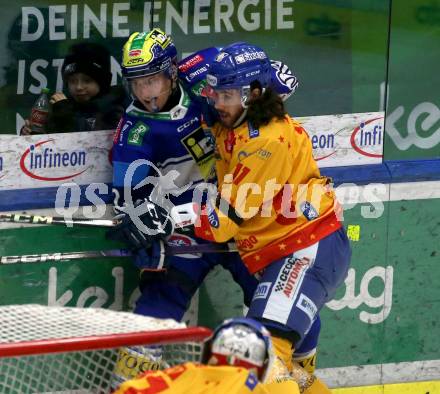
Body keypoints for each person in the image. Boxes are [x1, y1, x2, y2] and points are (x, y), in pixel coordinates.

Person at [120, 42, 352, 393]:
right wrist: (139, 216)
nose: (216, 102)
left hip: (302, 246)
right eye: (215, 92)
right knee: (283, 364)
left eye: (226, 95)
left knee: (267, 355)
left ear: (253, 94)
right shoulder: (235, 117)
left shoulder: (263, 144)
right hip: (276, 245)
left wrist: (167, 219)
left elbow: (222, 221)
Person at [106, 28, 298, 388]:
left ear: (173, 71)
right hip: (188, 229)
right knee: (157, 310)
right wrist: (140, 221)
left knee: (278, 302)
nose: (146, 93)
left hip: (240, 216)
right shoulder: (132, 132)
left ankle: (293, 381)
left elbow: (252, 71)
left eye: (153, 80)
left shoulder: (204, 69)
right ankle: (126, 386)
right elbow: (128, 196)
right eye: (137, 84)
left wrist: (270, 79)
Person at [113, 317, 300, 394]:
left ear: (210, 353)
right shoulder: (282, 388)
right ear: (263, 365)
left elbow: (129, 389)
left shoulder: (182, 375)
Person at [21, 42, 127, 134]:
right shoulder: (61, 107)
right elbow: (49, 147)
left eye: (87, 81)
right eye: (72, 81)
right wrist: (32, 134)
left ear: (102, 83)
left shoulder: (114, 110)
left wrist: (65, 114)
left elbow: (93, 144)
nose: (79, 87)